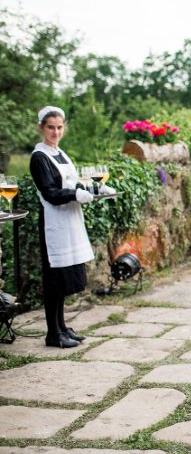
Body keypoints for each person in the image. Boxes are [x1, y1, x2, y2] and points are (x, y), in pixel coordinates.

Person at [29, 106, 95, 349]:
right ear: (41, 128)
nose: (55, 132)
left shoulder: (60, 153)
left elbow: (71, 182)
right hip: (53, 224)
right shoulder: (39, 157)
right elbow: (51, 193)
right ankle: (52, 334)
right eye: (50, 127)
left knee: (64, 278)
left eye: (59, 127)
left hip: (70, 222)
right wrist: (76, 194)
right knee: (54, 280)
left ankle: (62, 327)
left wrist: (92, 190)